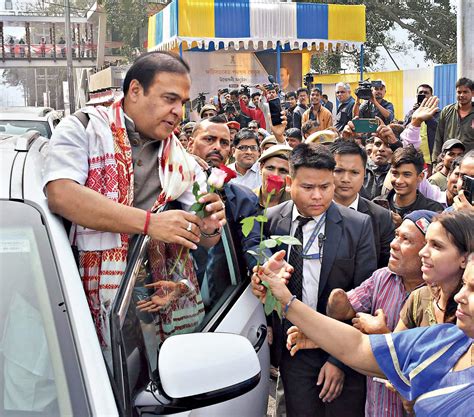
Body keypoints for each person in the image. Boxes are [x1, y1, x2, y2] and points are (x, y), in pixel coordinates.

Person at [43, 51, 226, 347]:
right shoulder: (84, 128)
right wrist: (150, 223)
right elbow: (61, 194)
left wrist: (209, 226)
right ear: (136, 91)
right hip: (74, 297)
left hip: (151, 303)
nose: (179, 111)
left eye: (182, 102)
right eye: (169, 99)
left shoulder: (182, 161)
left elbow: (206, 240)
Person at [252, 211, 474, 417]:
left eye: (436, 246)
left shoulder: (457, 331)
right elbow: (363, 349)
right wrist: (289, 303)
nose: (460, 297)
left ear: (465, 258)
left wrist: (381, 335)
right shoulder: (446, 334)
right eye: (464, 286)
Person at [262, 143, 377, 417]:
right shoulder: (271, 220)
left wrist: (338, 360)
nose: (317, 196)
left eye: (325, 187)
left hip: (341, 345)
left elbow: (365, 298)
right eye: (308, 187)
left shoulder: (357, 225)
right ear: (290, 183)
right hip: (293, 350)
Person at [323, 210, 435, 417]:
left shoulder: (439, 298)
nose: (394, 244)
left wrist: (382, 335)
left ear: (428, 251)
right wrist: (336, 297)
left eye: (406, 240)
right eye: (396, 235)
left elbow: (423, 367)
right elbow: (343, 309)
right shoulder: (382, 278)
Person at [396, 211, 472, 333]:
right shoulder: (419, 298)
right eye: (426, 243)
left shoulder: (469, 310)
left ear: (464, 259)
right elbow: (397, 344)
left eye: (436, 246)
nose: (422, 252)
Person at [330, 140, 394, 268]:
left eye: (354, 172)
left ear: (364, 173)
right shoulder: (313, 210)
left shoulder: (382, 218)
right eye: (338, 171)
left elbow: (385, 268)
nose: (346, 179)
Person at [375, 146, 444, 224]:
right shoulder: (377, 205)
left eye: (406, 174)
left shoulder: (433, 211)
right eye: (395, 173)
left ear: (420, 177)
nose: (399, 181)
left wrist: (402, 226)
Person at [433, 77, 474, 160]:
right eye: (459, 92)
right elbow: (438, 138)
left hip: (469, 162)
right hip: (448, 160)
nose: (461, 95)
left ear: (472, 93)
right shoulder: (447, 111)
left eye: (465, 92)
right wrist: (435, 160)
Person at [403, 84, 438, 165]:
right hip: (414, 155)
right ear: (417, 96)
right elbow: (405, 130)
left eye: (426, 93)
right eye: (420, 92)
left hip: (432, 156)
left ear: (431, 96)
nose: (423, 94)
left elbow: (438, 129)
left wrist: (428, 115)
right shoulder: (411, 113)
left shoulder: (438, 113)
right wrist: (415, 113)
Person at [254, 144, 292, 209]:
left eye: (283, 171)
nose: (275, 175)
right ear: (261, 168)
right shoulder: (247, 199)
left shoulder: (295, 205)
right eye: (270, 168)